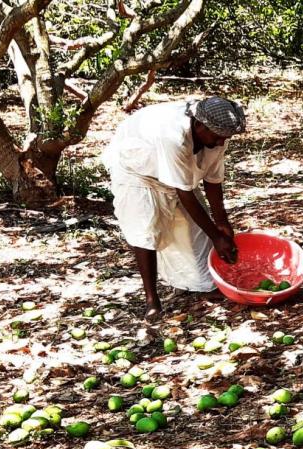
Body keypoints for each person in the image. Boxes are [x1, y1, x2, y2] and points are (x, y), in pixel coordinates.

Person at [101, 96, 246, 318]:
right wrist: (217, 237)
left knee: (196, 234)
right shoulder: (172, 136)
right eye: (217, 137)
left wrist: (222, 223)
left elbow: (213, 181)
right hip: (138, 171)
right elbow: (185, 194)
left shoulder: (216, 134)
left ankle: (201, 285)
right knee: (146, 232)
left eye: (224, 138)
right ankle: (152, 299)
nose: (220, 143)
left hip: (177, 175)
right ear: (199, 125)